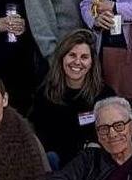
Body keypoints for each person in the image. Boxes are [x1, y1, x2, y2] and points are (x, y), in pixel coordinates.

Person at [26, 29, 110, 165]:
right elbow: (36, 133)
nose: (77, 62)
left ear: (92, 62)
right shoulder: (45, 93)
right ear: (62, 58)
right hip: (54, 165)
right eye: (72, 55)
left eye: (84, 57)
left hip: (89, 164)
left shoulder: (104, 95)